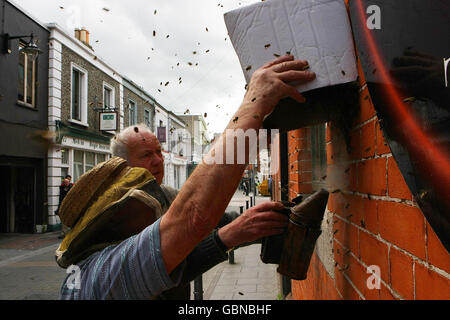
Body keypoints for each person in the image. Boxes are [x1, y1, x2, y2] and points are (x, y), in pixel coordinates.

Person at [59, 54, 316, 299]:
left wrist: (247, 228)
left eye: (158, 152)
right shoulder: (95, 278)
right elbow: (194, 217)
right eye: (147, 155)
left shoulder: (150, 213)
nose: (158, 161)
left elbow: (176, 263)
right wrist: (254, 103)